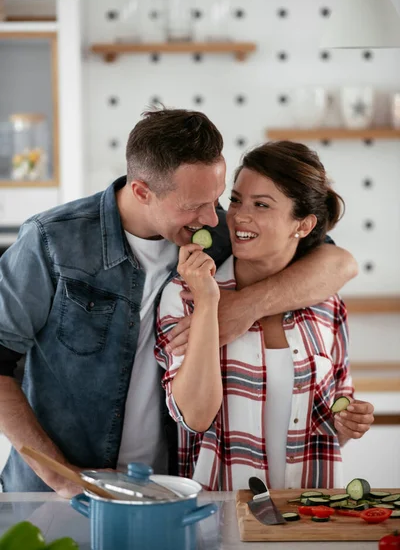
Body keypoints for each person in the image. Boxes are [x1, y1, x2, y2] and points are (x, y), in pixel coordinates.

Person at [0, 109, 356, 495]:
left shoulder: (217, 237)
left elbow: (336, 263)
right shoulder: (53, 241)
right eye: (194, 205)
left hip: (167, 489)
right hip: (54, 493)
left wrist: (246, 306)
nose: (215, 219)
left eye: (218, 200)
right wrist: (61, 479)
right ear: (142, 191)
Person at [155, 141, 373, 491]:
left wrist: (349, 423)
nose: (239, 216)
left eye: (261, 205)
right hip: (218, 522)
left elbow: (330, 425)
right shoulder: (184, 297)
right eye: (236, 200)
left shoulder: (328, 305)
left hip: (307, 522)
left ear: (302, 225)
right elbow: (193, 418)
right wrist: (209, 304)